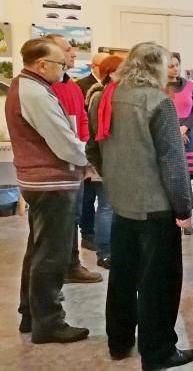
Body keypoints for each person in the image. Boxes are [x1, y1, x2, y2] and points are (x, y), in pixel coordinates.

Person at [86, 42, 193, 369]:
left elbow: (93, 148)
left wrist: (114, 180)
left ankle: (119, 341)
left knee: (122, 276)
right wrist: (184, 208)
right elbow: (173, 163)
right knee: (159, 283)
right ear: (157, 68)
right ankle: (158, 351)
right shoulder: (158, 102)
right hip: (155, 208)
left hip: (122, 203)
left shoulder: (105, 97)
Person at [8, 38, 90, 343]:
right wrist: (90, 160)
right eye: (60, 63)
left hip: (42, 181)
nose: (64, 68)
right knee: (51, 255)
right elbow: (64, 141)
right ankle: (49, 322)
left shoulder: (28, 87)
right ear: (42, 65)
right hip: (51, 182)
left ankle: (31, 314)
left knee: (38, 250)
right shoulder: (35, 93)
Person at [44, 34, 103, 284]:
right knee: (57, 224)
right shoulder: (46, 89)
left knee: (74, 217)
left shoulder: (73, 86)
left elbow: (82, 120)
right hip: (56, 167)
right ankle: (55, 274)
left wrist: (86, 154)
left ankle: (71, 265)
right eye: (68, 50)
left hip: (76, 161)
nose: (74, 54)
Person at [84, 55, 124, 270]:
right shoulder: (100, 96)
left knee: (112, 207)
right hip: (105, 161)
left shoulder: (115, 95)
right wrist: (102, 166)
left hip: (113, 162)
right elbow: (95, 134)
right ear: (112, 72)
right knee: (107, 207)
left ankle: (112, 250)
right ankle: (105, 253)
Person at [76, 52, 109, 253]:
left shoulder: (112, 89)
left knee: (104, 202)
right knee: (87, 197)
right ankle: (87, 233)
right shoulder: (81, 86)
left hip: (102, 150)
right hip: (88, 148)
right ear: (94, 66)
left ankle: (99, 236)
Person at [166, 52, 193, 235]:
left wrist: (185, 127)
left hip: (188, 137)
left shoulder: (189, 86)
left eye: (177, 65)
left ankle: (187, 218)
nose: (175, 69)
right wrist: (175, 130)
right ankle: (171, 218)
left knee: (188, 179)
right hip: (167, 137)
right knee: (171, 178)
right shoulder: (159, 87)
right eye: (171, 66)